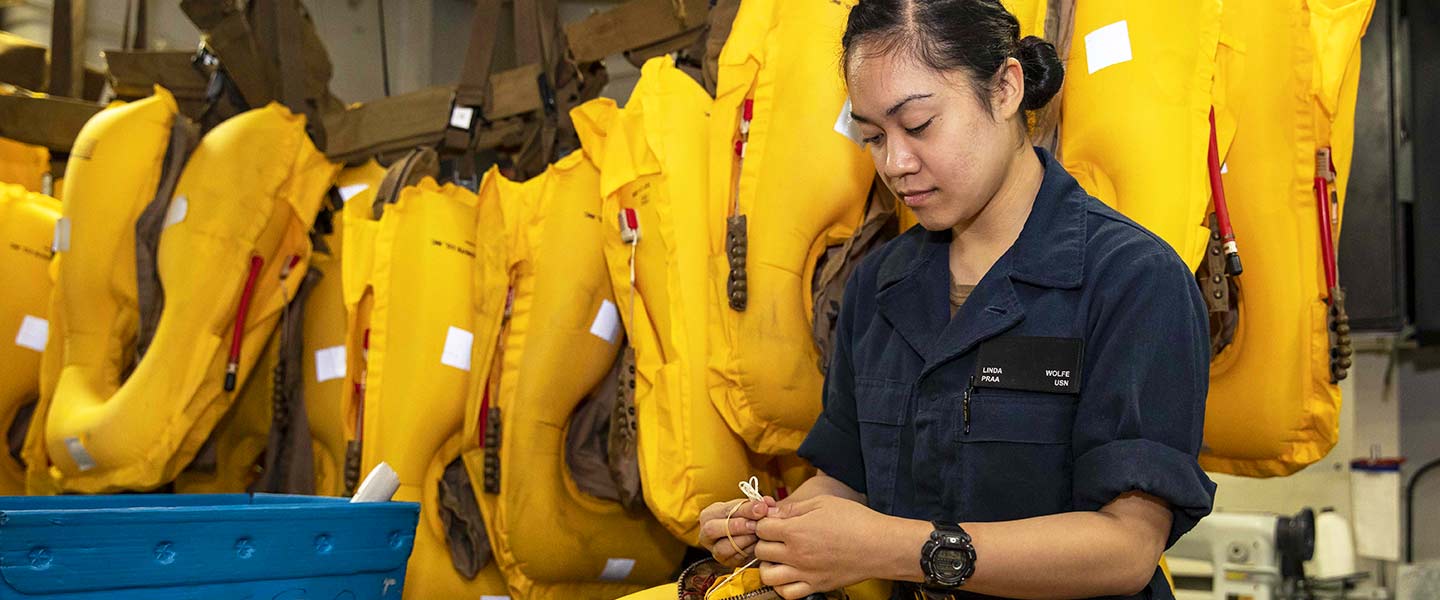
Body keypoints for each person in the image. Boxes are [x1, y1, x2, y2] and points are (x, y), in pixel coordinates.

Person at [695, 1, 1217, 598]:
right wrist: (776, 528)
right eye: (871, 136)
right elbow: (846, 480)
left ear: (1005, 89)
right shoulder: (877, 286)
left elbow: (1126, 547)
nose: (896, 163)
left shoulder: (1132, 280)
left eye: (918, 125)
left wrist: (900, 549)